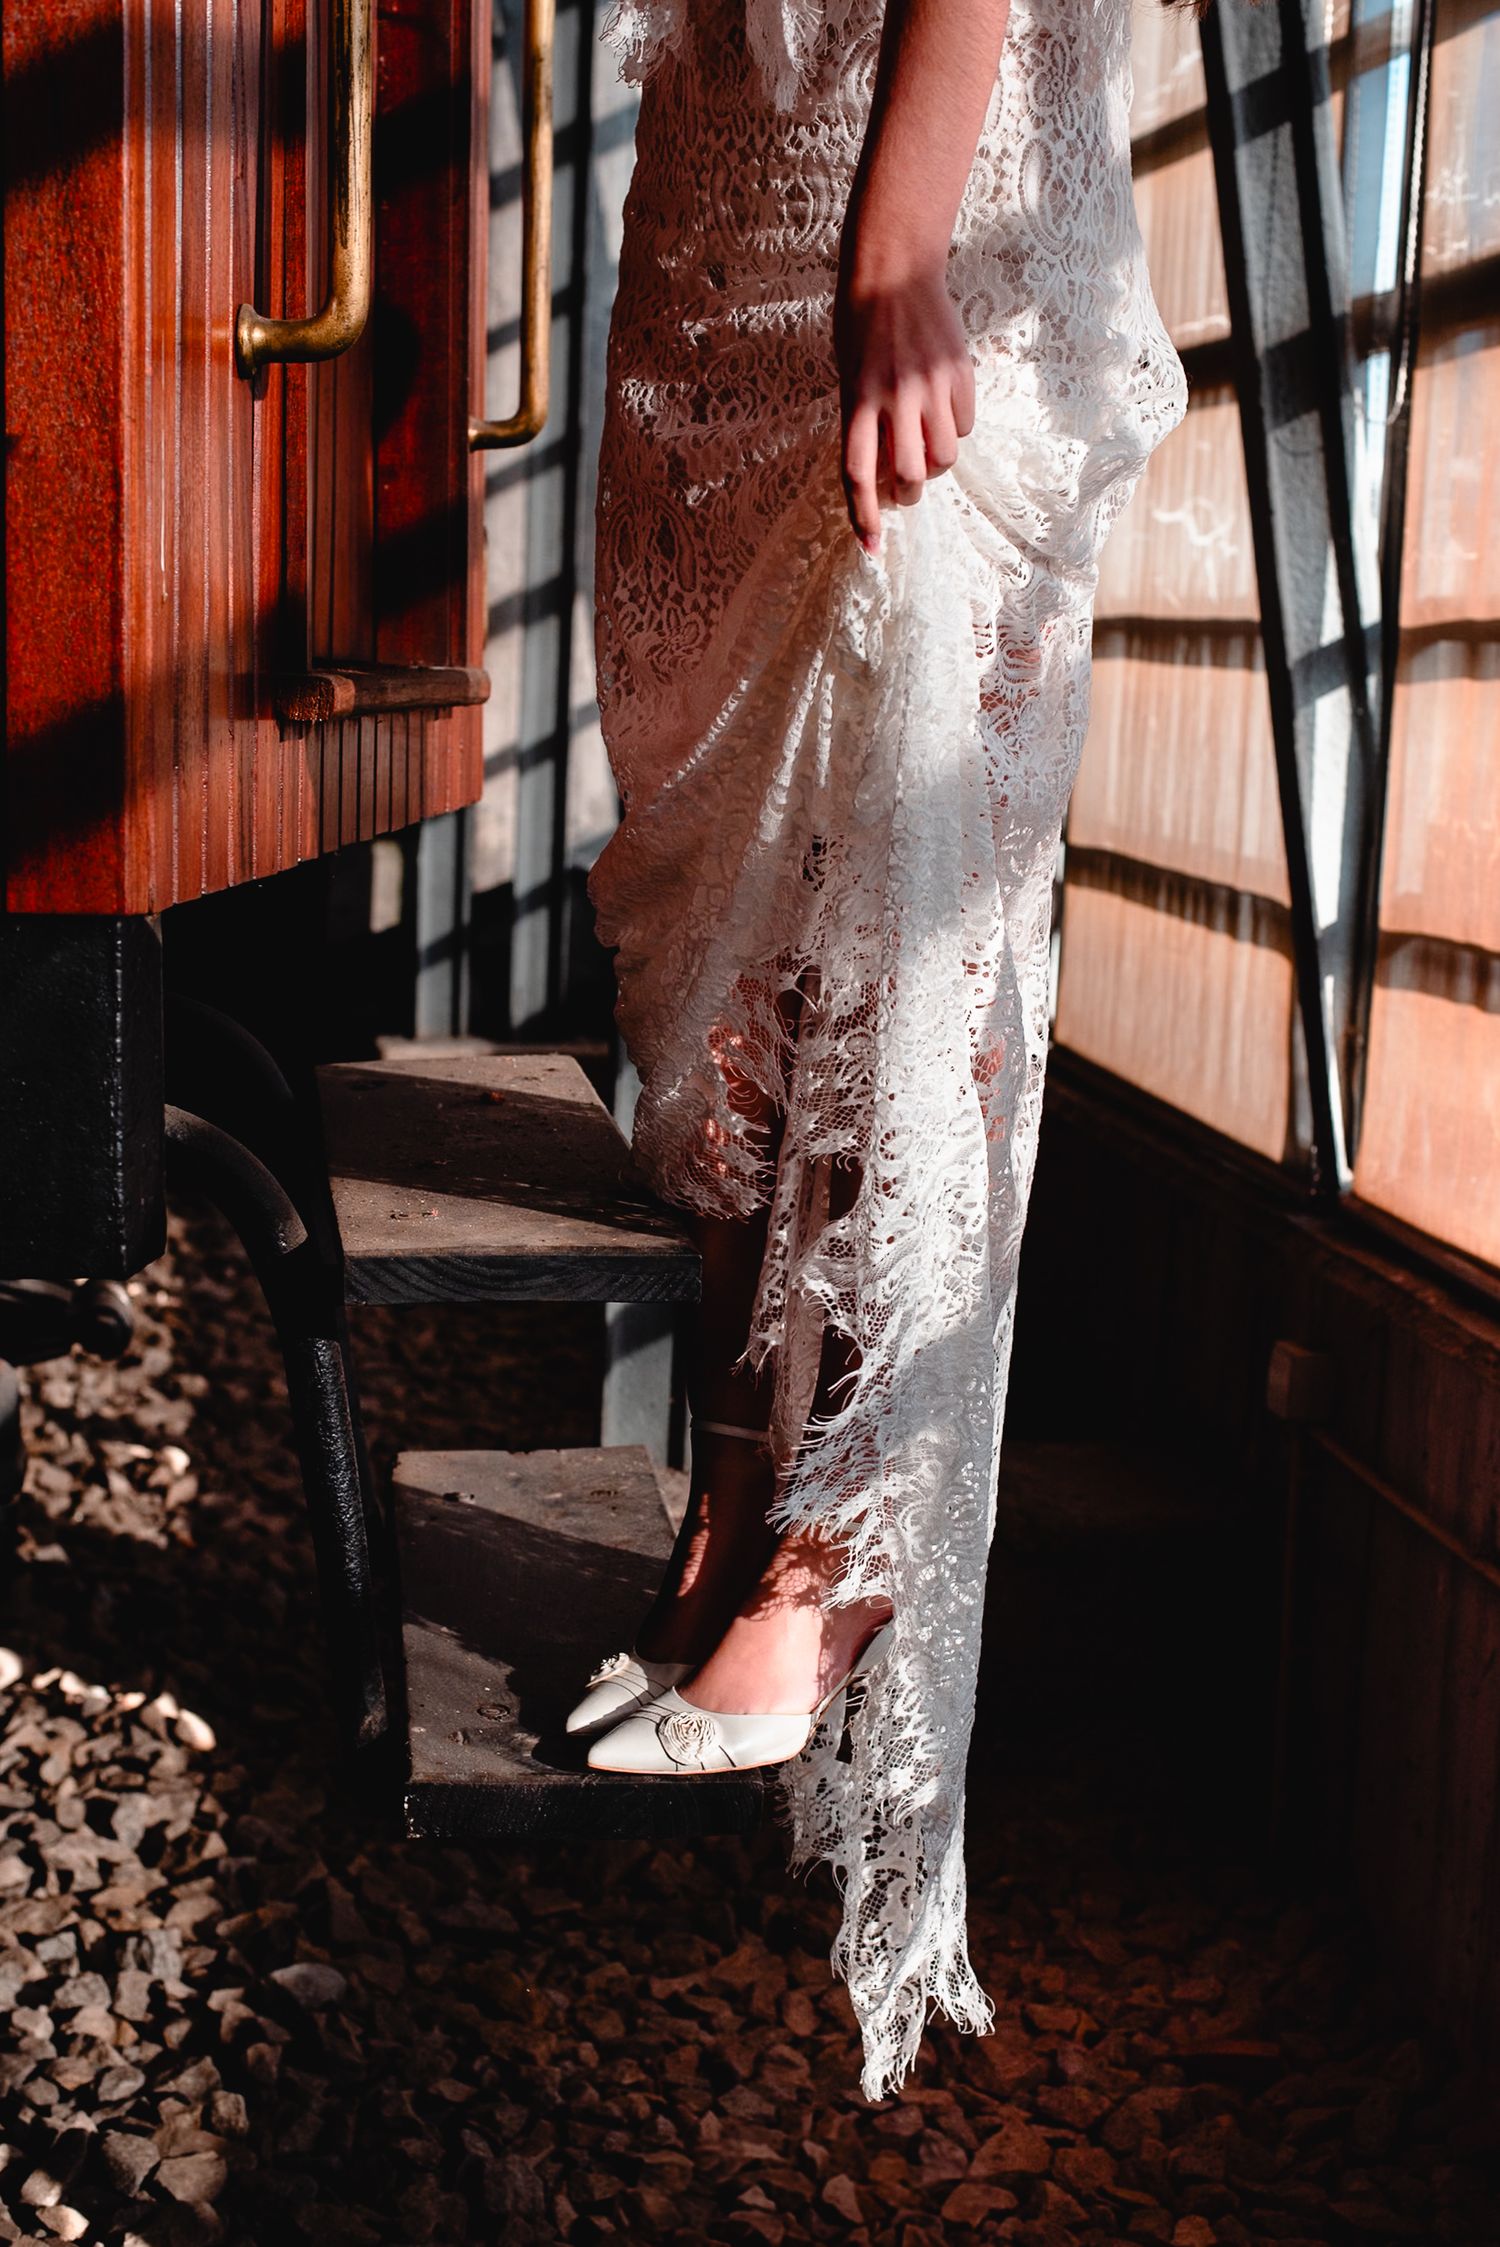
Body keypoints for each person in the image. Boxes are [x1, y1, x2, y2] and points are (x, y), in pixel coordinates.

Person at [571, 0, 1188, 2101]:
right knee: (745, 919)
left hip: (922, 219)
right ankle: (741, 1494)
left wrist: (892, 254)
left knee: (914, 911)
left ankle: (851, 1553)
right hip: (728, 218)